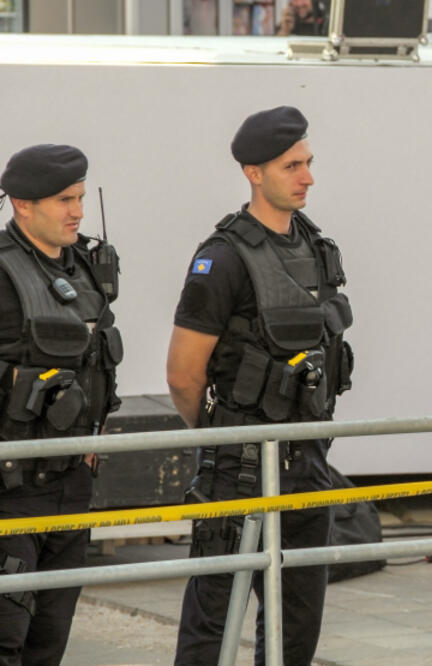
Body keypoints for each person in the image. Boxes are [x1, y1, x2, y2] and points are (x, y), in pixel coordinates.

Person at [168, 105, 353, 665]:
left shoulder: (316, 247)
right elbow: (183, 373)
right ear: (254, 172)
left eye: (309, 163)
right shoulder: (222, 257)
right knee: (214, 620)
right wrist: (220, 438)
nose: (307, 177)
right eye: (292, 166)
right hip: (239, 468)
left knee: (297, 623)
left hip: (307, 461)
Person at [0, 144, 123, 664]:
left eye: (79, 198)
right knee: (6, 637)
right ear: (22, 204)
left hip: (72, 483)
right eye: (63, 200)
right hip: (11, 489)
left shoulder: (87, 269)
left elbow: (98, 366)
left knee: (49, 640)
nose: (77, 211)